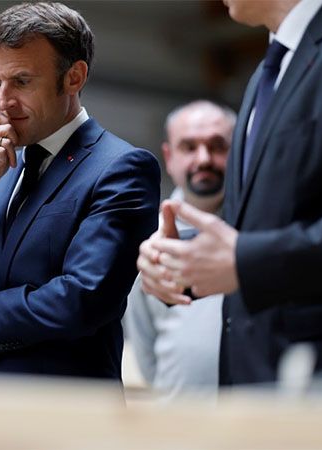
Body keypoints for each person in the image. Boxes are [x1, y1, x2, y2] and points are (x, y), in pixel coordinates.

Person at [0, 2, 160, 379]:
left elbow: (82, 300)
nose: (4, 102)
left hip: (62, 424)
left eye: (22, 82)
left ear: (74, 77)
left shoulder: (121, 168)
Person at [137, 0, 322, 385]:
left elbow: (251, 252)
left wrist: (245, 260)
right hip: (255, 392)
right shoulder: (268, 73)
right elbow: (272, 223)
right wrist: (182, 258)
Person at [123, 100, 235, 399]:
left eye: (217, 146)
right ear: (169, 157)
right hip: (175, 420)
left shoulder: (260, 235)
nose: (203, 159)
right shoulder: (148, 240)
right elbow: (146, 351)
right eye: (189, 147)